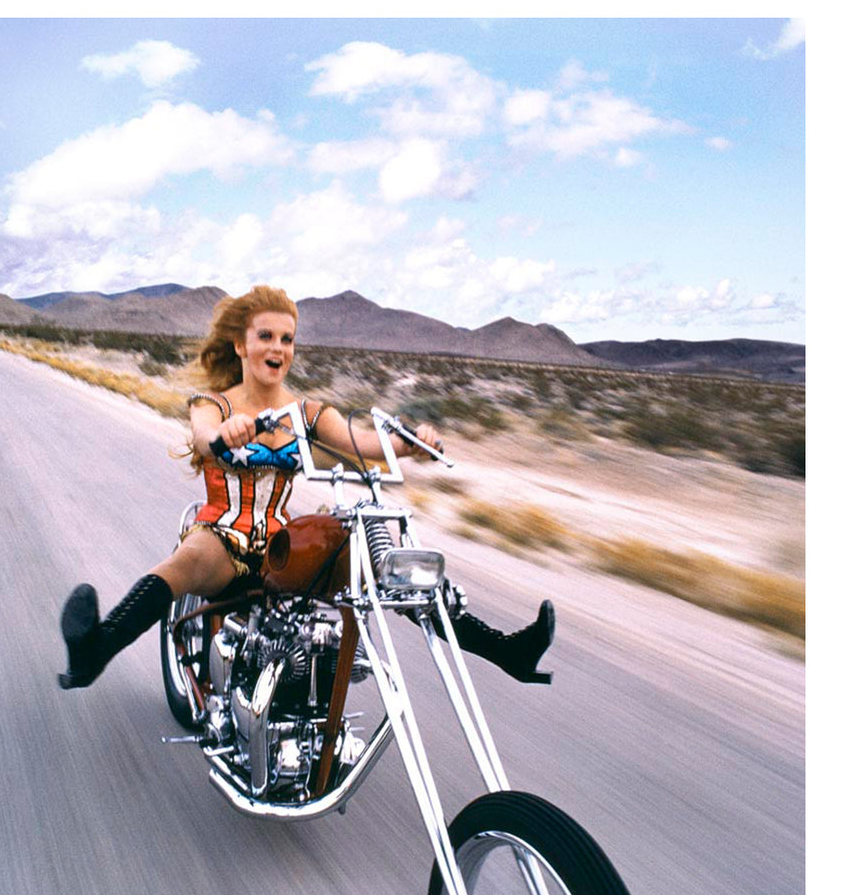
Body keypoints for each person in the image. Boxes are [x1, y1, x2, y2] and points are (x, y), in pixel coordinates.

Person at [58, 285, 554, 690]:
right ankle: (95, 649)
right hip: (222, 540)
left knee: (382, 565)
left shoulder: (309, 412)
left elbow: (361, 442)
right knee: (182, 564)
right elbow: (204, 437)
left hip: (280, 542)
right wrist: (223, 436)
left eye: (287, 339)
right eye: (266, 336)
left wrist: (407, 444)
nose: (277, 348)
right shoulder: (214, 403)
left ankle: (506, 650)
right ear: (241, 345)